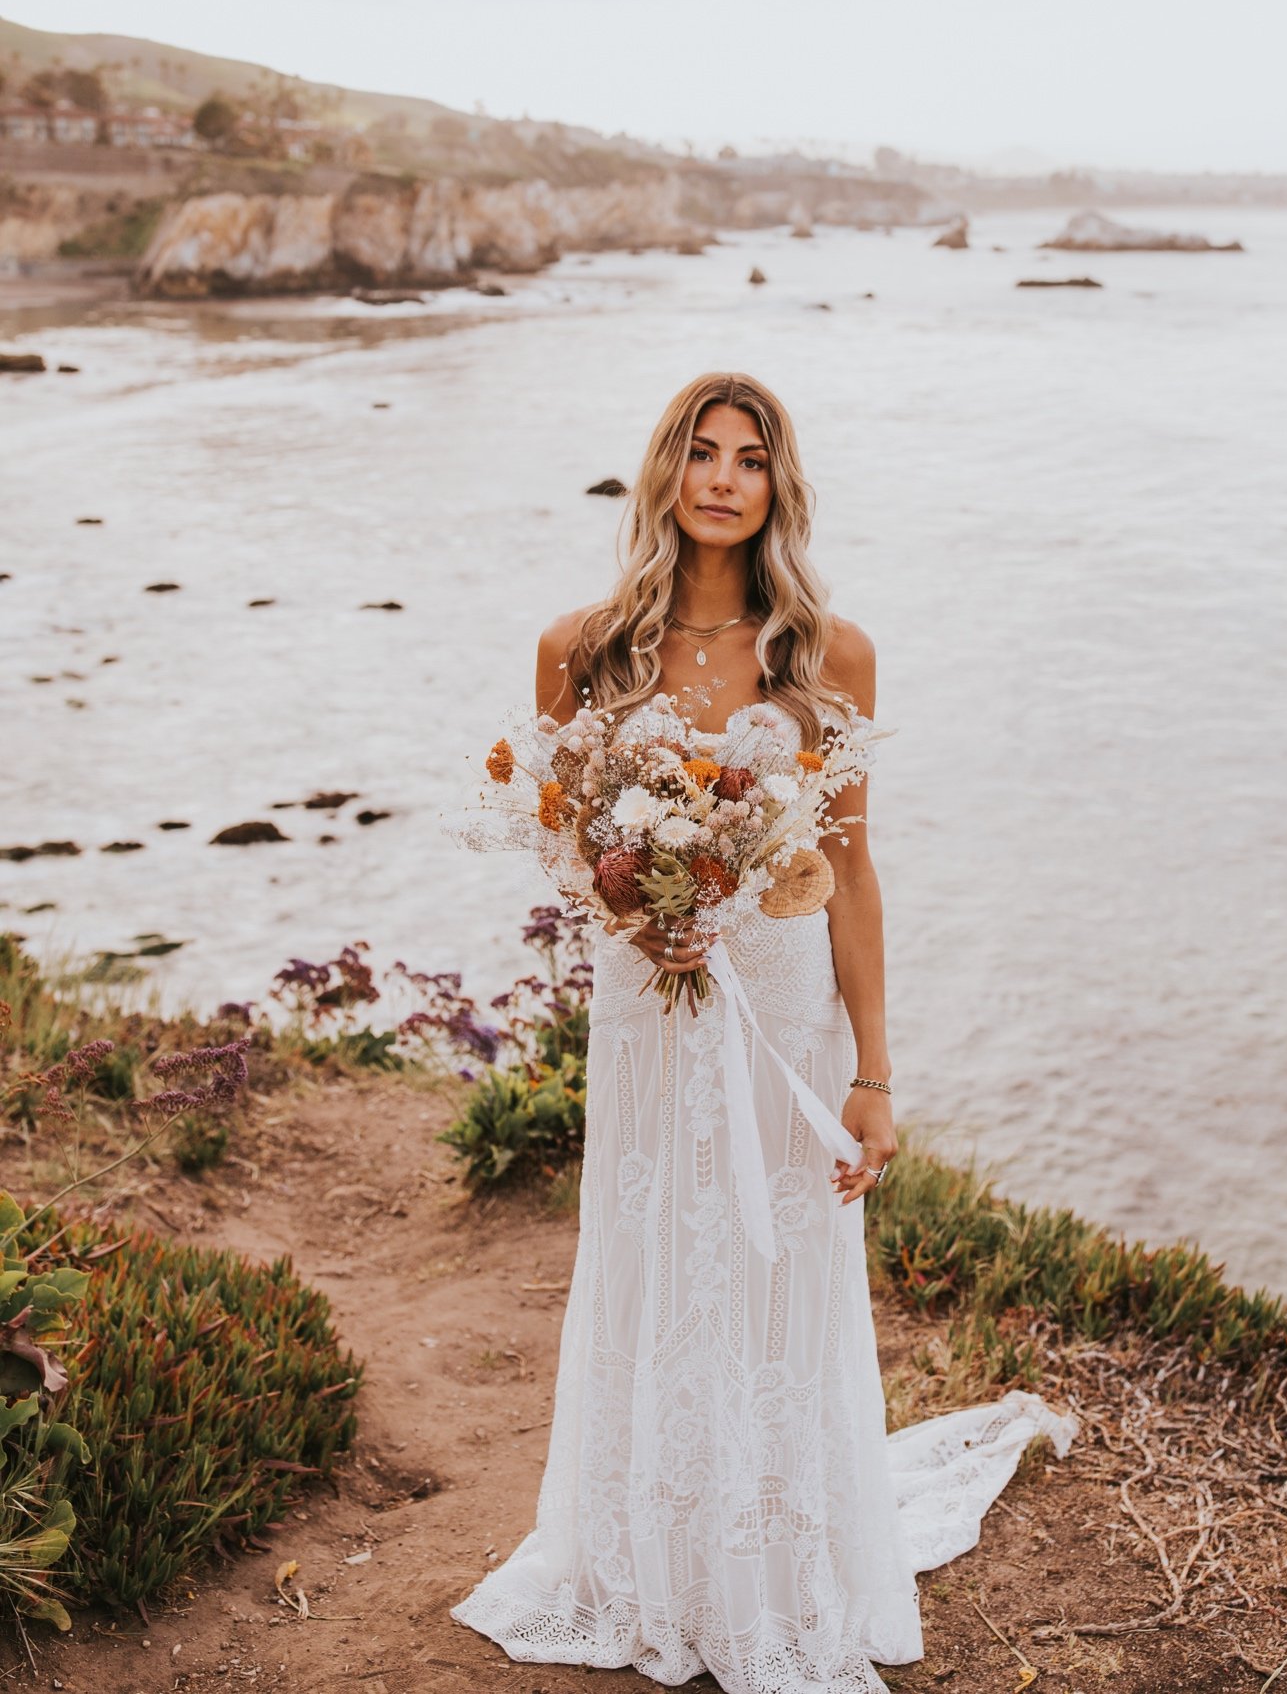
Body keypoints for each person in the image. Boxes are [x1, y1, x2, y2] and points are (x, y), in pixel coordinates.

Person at [452, 371, 1073, 1693]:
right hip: (648, 1006)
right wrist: (642, 909)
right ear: (666, 470)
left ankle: (776, 1561)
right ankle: (645, 1561)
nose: (724, 477)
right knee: (652, 1261)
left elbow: (851, 867)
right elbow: (571, 847)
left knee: (777, 1272)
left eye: (751, 457)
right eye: (702, 452)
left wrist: (877, 1073)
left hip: (782, 1011)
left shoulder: (830, 656)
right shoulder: (580, 648)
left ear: (778, 487)